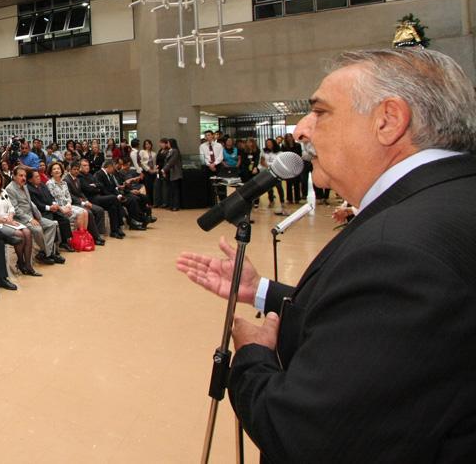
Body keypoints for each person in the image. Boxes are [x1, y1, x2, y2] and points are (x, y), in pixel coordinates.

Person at [176, 48, 476, 462]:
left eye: (320, 112)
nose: (301, 130)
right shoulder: (447, 199)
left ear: (388, 120)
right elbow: (367, 320)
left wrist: (251, 358)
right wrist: (261, 290)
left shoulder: (400, 250)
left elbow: (307, 438)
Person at [0, 170, 37, 277]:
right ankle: (21, 262)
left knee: (27, 232)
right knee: (20, 234)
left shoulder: (3, 191)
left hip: (8, 221)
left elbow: (11, 207)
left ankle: (28, 265)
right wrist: (7, 221)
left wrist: (10, 217)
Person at [4, 166, 62, 267]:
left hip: (32, 215)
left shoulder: (24, 186)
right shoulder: (10, 189)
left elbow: (30, 203)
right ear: (14, 176)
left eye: (24, 176)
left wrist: (37, 215)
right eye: (20, 176)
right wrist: (30, 219)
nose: (23, 178)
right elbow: (15, 209)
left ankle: (45, 253)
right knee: (38, 230)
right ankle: (48, 253)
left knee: (52, 225)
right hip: (21, 219)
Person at [26, 168, 75, 251]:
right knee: (52, 224)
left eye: (39, 176)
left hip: (52, 208)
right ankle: (52, 248)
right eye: (36, 177)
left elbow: (51, 196)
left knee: (64, 219)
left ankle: (64, 242)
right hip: (42, 212)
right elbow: (37, 204)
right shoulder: (29, 189)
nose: (39, 178)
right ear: (30, 180)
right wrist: (49, 208)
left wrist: (54, 204)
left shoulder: (42, 185)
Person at [78, 158, 125, 237]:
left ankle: (114, 230)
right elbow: (87, 189)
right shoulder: (80, 177)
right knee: (114, 198)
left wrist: (95, 186)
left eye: (88, 165)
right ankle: (120, 224)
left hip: (98, 196)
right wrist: (96, 187)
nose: (87, 167)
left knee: (112, 207)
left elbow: (100, 186)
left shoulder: (90, 175)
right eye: (84, 165)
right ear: (80, 167)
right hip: (90, 199)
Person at [64, 162, 106, 244]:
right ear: (70, 169)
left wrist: (86, 201)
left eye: (77, 169)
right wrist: (83, 203)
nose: (76, 171)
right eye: (74, 169)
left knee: (99, 210)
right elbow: (70, 195)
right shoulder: (66, 180)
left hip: (82, 201)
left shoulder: (77, 179)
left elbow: (81, 193)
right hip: (73, 203)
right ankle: (95, 237)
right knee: (89, 212)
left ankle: (98, 234)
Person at [45, 161, 90, 235]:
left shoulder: (64, 183)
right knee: (80, 213)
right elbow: (52, 200)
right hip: (59, 209)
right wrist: (62, 209)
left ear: (61, 171)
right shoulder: (49, 183)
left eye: (58, 168)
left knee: (85, 212)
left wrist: (69, 204)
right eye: (54, 169)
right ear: (51, 173)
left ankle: (83, 236)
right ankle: (78, 237)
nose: (57, 170)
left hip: (67, 206)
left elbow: (68, 196)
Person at [260, 138, 285, 214]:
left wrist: (274, 167)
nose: (268, 144)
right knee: (269, 187)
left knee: (279, 187)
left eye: (270, 143)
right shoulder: (264, 151)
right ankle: (271, 201)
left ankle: (282, 201)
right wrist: (267, 166)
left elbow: (281, 162)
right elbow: (262, 161)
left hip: (277, 171)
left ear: (273, 143)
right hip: (268, 171)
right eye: (267, 143)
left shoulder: (279, 152)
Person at [162, 138, 182, 211]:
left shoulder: (175, 151)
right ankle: (171, 205)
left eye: (168, 143)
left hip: (175, 173)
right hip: (169, 173)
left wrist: (164, 169)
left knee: (175, 190)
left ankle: (176, 206)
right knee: (171, 190)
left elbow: (171, 162)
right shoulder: (169, 151)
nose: (167, 144)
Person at [136, 139, 157, 206]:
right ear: (144, 145)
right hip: (146, 171)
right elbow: (141, 162)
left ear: (151, 145)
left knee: (152, 187)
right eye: (146, 144)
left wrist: (154, 170)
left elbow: (154, 163)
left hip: (153, 172)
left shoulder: (154, 153)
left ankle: (153, 202)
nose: (147, 145)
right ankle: (148, 202)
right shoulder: (142, 152)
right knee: (147, 187)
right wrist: (148, 170)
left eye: (149, 144)